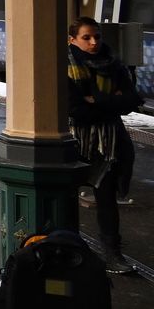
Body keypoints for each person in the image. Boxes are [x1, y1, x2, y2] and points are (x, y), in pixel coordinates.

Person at [66, 16, 143, 275]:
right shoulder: (66, 65)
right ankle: (67, 248)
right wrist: (111, 102)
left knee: (107, 198)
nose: (94, 42)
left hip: (108, 144)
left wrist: (94, 101)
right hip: (76, 141)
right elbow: (75, 109)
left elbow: (132, 100)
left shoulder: (115, 64)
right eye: (86, 37)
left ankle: (113, 254)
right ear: (72, 39)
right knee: (67, 197)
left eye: (97, 36)